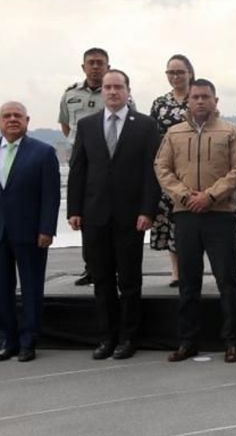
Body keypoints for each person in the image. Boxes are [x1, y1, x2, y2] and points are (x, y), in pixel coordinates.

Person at [154, 79, 236, 364]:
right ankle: (188, 341)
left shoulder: (231, 131)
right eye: (195, 96)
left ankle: (232, 342)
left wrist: (210, 196)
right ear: (188, 101)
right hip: (186, 217)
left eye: (205, 97)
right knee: (188, 282)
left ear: (215, 100)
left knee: (228, 281)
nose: (199, 101)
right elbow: (162, 168)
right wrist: (185, 197)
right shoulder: (174, 133)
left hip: (220, 216)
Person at [67, 70, 161, 360]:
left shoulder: (146, 126)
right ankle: (106, 337)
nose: (112, 92)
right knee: (102, 280)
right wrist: (74, 210)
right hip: (94, 216)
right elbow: (78, 170)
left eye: (118, 87)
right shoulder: (86, 125)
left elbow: (152, 173)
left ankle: (128, 338)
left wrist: (148, 210)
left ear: (128, 90)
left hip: (131, 216)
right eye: (107, 87)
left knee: (130, 281)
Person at [0, 102, 59, 362]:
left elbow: (51, 196)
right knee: (2, 289)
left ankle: (28, 340)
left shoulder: (44, 152)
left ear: (27, 120)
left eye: (17, 116)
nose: (12, 119)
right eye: (6, 116)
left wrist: (47, 229)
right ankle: (7, 339)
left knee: (32, 288)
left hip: (31, 233)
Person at [60, 47, 110, 287]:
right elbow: (66, 126)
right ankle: (91, 267)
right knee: (84, 217)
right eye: (91, 62)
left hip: (107, 164)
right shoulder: (70, 95)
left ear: (108, 67)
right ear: (83, 67)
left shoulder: (116, 93)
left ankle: (112, 267)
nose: (96, 66)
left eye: (100, 63)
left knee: (109, 216)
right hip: (81, 162)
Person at [149, 54, 194, 288]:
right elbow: (151, 135)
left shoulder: (198, 97)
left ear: (189, 73)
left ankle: (191, 268)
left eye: (180, 72)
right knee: (171, 220)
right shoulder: (159, 103)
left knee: (190, 220)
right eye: (171, 73)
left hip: (194, 168)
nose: (175, 77)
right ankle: (176, 271)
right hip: (167, 170)